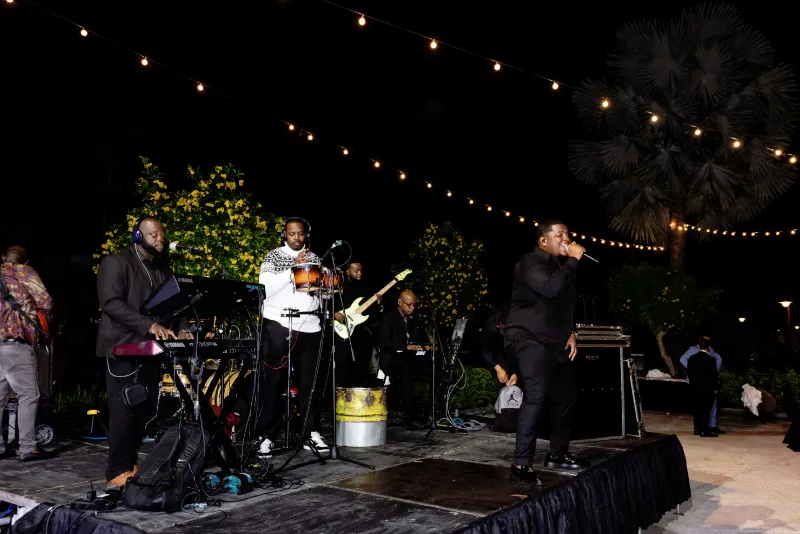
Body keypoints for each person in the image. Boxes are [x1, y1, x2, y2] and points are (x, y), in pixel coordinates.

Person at [96, 216, 197, 487]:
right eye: (153, 235)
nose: (160, 239)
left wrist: (182, 328)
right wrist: (149, 325)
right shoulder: (116, 262)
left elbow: (174, 304)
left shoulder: (162, 267)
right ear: (138, 236)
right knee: (124, 409)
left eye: (162, 234)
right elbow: (111, 303)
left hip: (150, 348)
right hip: (121, 346)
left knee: (143, 409)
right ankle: (117, 469)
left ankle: (130, 463)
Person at [504, 219, 587, 485]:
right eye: (560, 234)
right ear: (543, 240)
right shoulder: (530, 262)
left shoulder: (561, 268)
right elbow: (549, 288)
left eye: (568, 233)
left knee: (566, 394)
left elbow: (566, 304)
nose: (567, 238)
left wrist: (571, 332)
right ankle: (520, 464)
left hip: (554, 341)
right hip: (528, 338)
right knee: (536, 396)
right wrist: (573, 261)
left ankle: (558, 454)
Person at [257, 217, 327, 456]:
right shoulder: (273, 257)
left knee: (310, 385)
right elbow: (265, 290)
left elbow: (316, 293)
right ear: (284, 235)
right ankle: (265, 436)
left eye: (301, 233)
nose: (297, 238)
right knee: (273, 383)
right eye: (292, 234)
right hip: (279, 325)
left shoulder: (315, 258)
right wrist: (293, 268)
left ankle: (310, 432)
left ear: (307, 234)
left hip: (311, 326)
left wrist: (326, 291)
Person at [0, 246, 54, 462]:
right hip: (16, 344)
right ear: (25, 261)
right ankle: (28, 447)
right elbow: (46, 302)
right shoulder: (24, 271)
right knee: (28, 395)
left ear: (3, 257)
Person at [377, 289, 428, 428]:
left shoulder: (414, 320)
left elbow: (419, 340)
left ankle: (431, 410)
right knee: (405, 369)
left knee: (435, 369)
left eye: (414, 305)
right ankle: (410, 413)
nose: (412, 308)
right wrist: (406, 347)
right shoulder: (389, 318)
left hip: (410, 358)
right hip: (392, 359)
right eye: (409, 305)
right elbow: (383, 342)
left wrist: (426, 346)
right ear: (400, 302)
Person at [333, 262, 382, 387]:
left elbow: (370, 314)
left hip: (361, 333)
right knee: (342, 366)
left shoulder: (366, 289)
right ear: (347, 272)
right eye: (356, 271)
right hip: (342, 332)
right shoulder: (339, 287)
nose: (359, 273)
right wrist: (334, 314)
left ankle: (359, 393)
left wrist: (377, 304)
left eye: (361, 270)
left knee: (362, 367)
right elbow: (328, 305)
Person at [680, 335, 725, 434]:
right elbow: (683, 359)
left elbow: (719, 359)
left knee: (707, 405)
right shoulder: (693, 350)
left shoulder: (710, 352)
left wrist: (711, 371)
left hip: (703, 382)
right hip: (700, 383)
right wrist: (696, 370)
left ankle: (708, 427)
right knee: (702, 406)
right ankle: (703, 429)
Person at [686, 338, 719, 438]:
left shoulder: (692, 358)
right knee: (705, 409)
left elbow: (689, 373)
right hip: (706, 389)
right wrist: (715, 388)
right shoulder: (710, 360)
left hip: (694, 388)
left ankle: (697, 429)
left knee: (697, 409)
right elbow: (713, 376)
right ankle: (704, 430)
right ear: (708, 348)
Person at [481, 303, 517, 387]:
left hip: (512, 347)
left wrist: (516, 373)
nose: (504, 333)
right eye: (503, 330)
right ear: (498, 324)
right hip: (495, 345)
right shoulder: (490, 327)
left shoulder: (516, 325)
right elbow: (485, 348)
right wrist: (498, 368)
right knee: (502, 368)